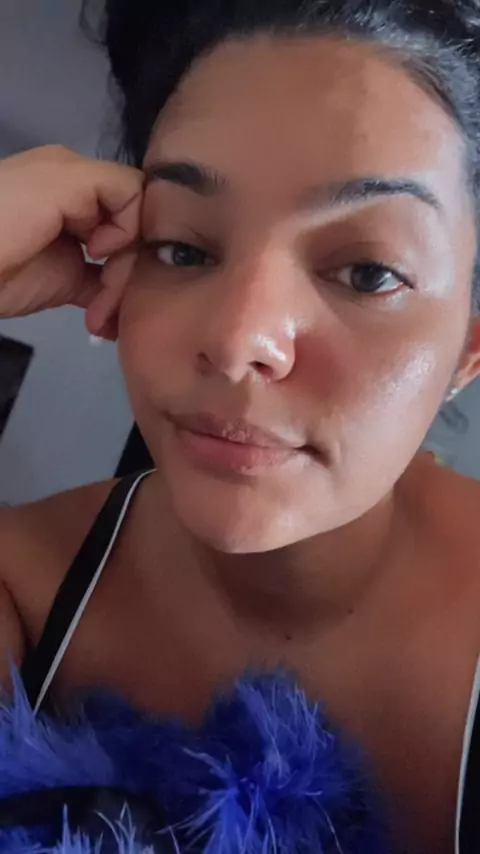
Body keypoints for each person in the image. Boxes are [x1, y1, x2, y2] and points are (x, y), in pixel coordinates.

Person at [1, 0, 480, 850]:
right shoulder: (22, 584)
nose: (234, 341)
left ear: (467, 352)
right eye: (183, 248)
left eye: (367, 272)